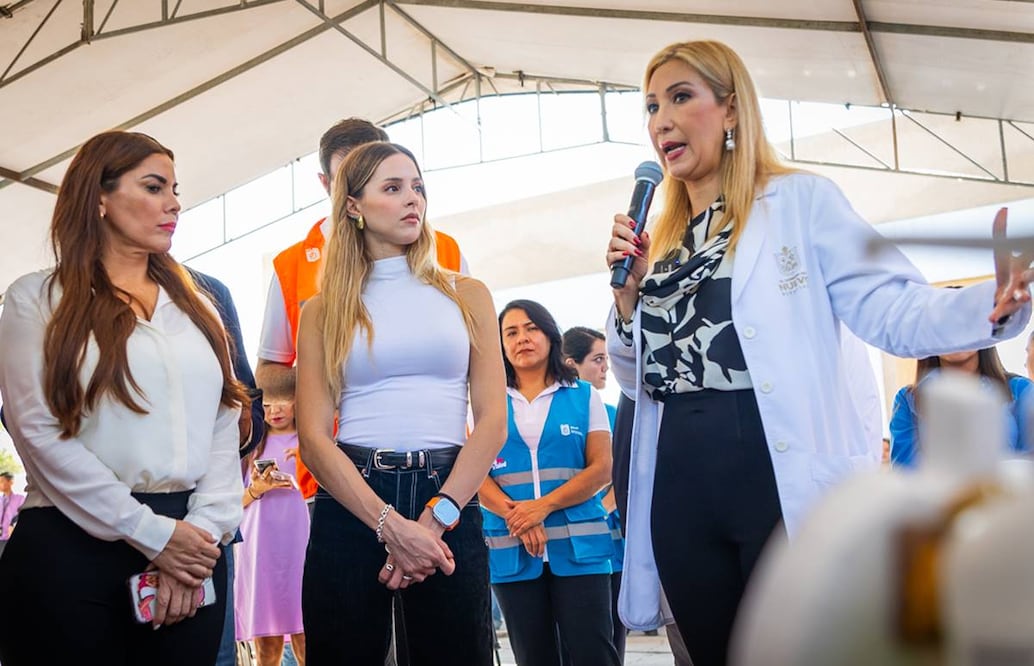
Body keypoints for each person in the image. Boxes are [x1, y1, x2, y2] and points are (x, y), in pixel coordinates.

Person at [604, 40, 1034, 666]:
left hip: (770, 467)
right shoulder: (659, 244)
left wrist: (987, 305)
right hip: (679, 479)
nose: (660, 121)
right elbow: (640, 379)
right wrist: (626, 301)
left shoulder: (801, 204)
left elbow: (892, 308)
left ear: (731, 111)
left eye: (680, 97)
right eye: (649, 107)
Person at [0, 130, 249, 665]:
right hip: (71, 548)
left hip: (191, 545)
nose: (174, 203)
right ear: (99, 198)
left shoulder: (200, 306)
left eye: (175, 189)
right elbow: (38, 432)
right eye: (155, 187)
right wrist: (154, 537)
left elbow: (224, 426)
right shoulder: (36, 299)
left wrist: (197, 544)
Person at [296, 141, 506, 665]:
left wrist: (436, 518)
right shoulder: (321, 311)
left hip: (449, 494)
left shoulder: (468, 293)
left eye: (417, 187)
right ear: (352, 205)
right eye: (392, 188)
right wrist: (389, 524)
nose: (413, 199)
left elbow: (492, 421)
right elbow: (314, 438)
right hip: (352, 498)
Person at [256, 118, 468, 512]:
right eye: (350, 177)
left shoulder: (448, 254)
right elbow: (267, 373)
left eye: (397, 181)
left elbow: (478, 366)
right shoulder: (292, 265)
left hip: (445, 473)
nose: (405, 197)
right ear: (330, 187)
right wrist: (330, 375)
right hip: (333, 476)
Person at [481, 301, 619, 666]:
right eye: (511, 332)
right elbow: (476, 475)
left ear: (550, 335)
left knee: (594, 653)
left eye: (531, 328)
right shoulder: (484, 402)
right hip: (511, 547)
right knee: (533, 656)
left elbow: (601, 468)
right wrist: (519, 518)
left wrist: (541, 508)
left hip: (579, 550)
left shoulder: (584, 395)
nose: (522, 338)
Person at [561, 325, 627, 661]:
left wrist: (597, 509)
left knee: (608, 642)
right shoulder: (548, 415)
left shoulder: (614, 413)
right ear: (572, 364)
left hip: (609, 546)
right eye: (598, 359)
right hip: (564, 544)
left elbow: (621, 475)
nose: (606, 367)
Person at [236, 368, 308, 666]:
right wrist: (256, 488)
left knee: (307, 632)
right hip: (259, 548)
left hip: (301, 546)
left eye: (283, 401)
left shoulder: (312, 443)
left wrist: (307, 460)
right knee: (266, 643)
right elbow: (234, 503)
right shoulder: (250, 448)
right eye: (266, 404)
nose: (274, 410)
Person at [890, 346, 1034, 466]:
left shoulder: (1021, 390)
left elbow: (1028, 465)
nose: (956, 336)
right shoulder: (908, 399)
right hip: (939, 499)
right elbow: (907, 475)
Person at [0, 471, 24, 559]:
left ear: (10, 482)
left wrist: (12, 524)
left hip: (11, 538)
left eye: (2, 481)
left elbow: (23, 515)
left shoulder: (20, 499)